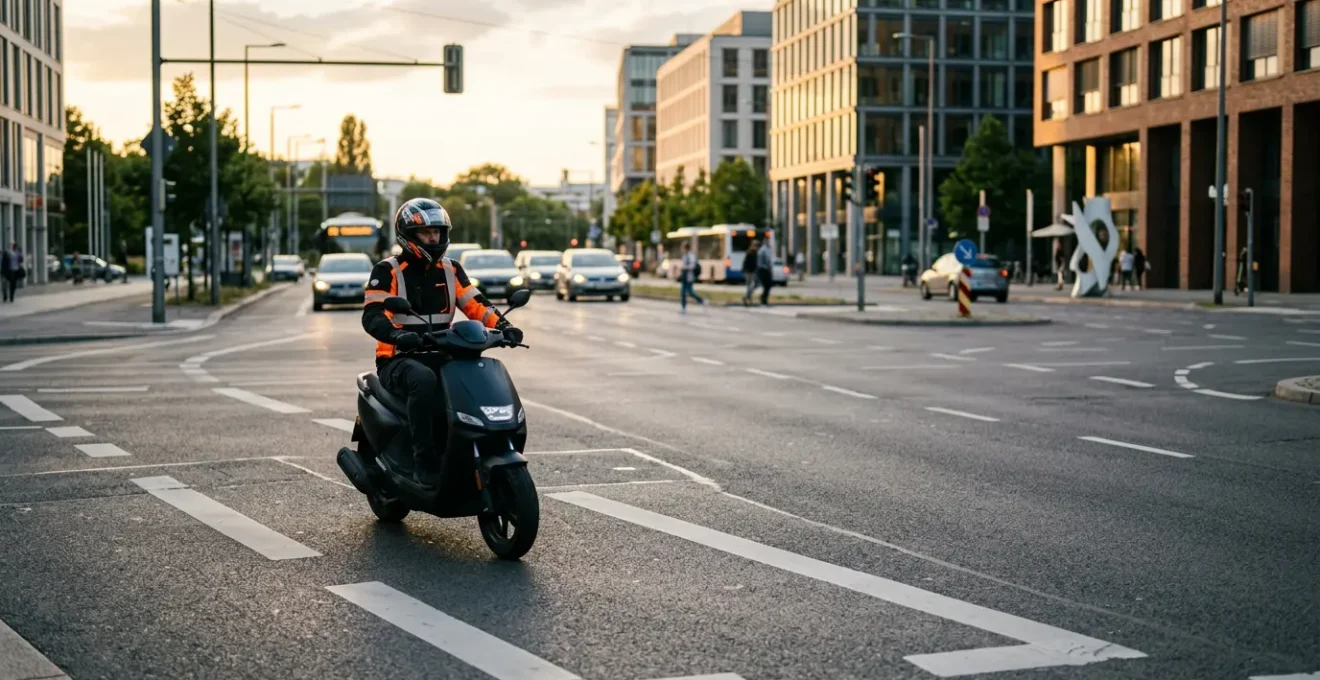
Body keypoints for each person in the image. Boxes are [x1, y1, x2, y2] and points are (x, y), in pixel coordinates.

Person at [361, 198, 522, 488]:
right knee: (423, 381)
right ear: (408, 235)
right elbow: (373, 316)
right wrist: (398, 335)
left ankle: (465, 448)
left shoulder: (452, 269)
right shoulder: (388, 271)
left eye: (437, 231)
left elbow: (475, 304)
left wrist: (503, 326)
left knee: (478, 374)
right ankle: (424, 461)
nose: (434, 237)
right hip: (398, 359)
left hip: (445, 353)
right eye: (426, 233)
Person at [679, 241, 706, 313]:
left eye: (683, 248)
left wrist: (685, 267)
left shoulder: (691, 256)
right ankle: (683, 307)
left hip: (690, 276)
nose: (682, 250)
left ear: (686, 248)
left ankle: (702, 301)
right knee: (683, 292)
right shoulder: (684, 256)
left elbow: (693, 266)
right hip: (684, 277)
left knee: (690, 292)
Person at [756, 237, 774, 306]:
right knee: (767, 285)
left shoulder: (767, 250)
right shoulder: (763, 250)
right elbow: (762, 262)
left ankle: (764, 299)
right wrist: (767, 268)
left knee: (767, 286)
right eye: (767, 241)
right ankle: (763, 300)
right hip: (763, 270)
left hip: (766, 270)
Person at [740, 241, 760, 306]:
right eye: (755, 245)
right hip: (748, 271)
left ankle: (747, 297)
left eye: (757, 246)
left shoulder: (755, 253)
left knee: (753, 285)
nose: (756, 247)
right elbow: (746, 262)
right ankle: (748, 298)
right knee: (750, 285)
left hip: (751, 271)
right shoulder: (750, 252)